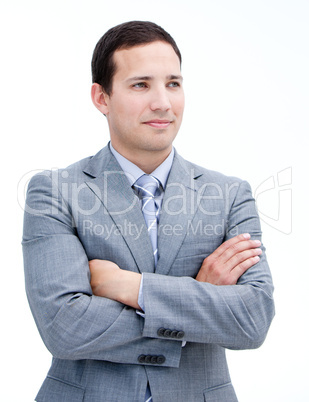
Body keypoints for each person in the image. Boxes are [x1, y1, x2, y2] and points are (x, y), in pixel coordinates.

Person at [22, 21, 275, 402]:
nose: (163, 102)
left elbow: (251, 320)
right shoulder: (56, 192)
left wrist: (130, 287)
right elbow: (63, 327)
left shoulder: (229, 195)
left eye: (173, 83)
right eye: (141, 84)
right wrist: (201, 296)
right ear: (101, 97)